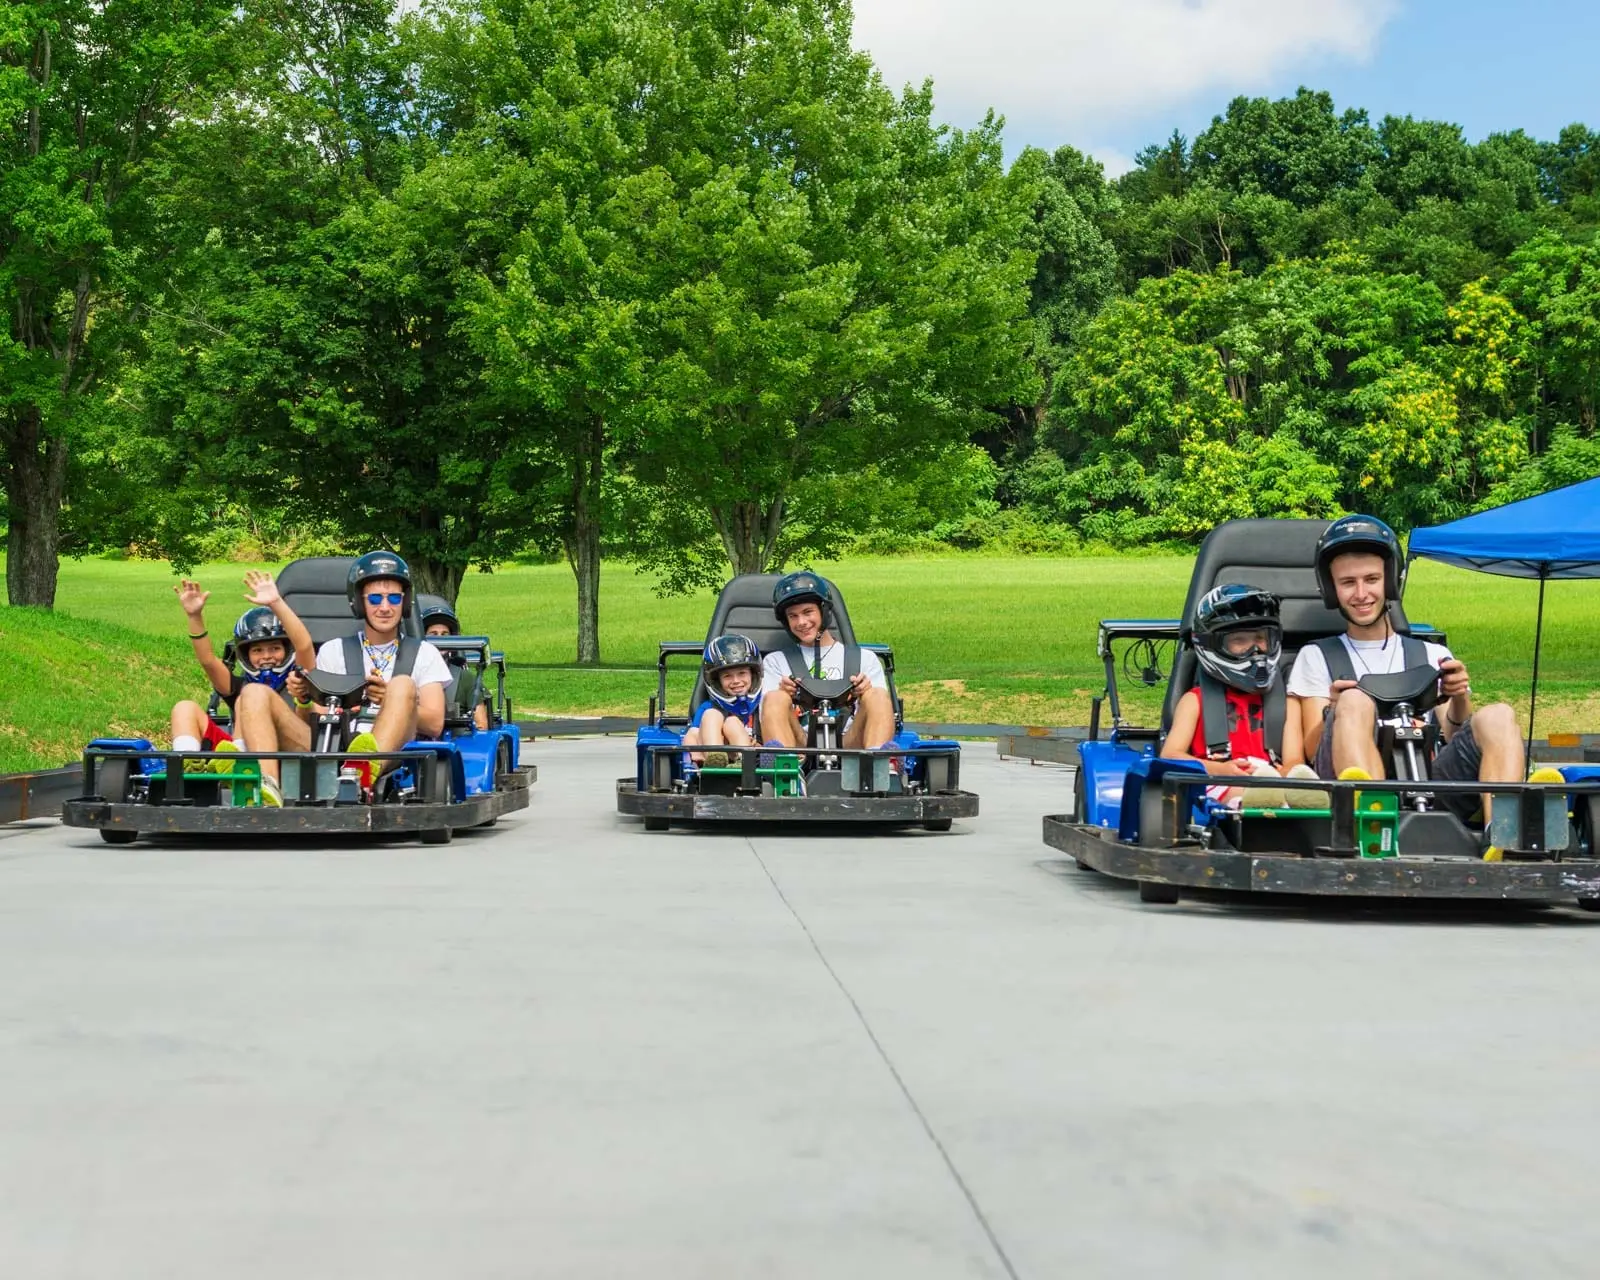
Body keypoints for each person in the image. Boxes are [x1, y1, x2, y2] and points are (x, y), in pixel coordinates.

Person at [1287, 514, 1526, 821]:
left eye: (1371, 580)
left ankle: (1505, 838)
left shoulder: (1432, 654)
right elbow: (1311, 751)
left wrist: (1459, 697)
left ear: (1390, 580)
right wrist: (1334, 710)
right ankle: (1373, 827)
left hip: (1427, 782)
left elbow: (1454, 737)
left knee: (1499, 715)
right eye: (1348, 583)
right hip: (1348, 786)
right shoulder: (1316, 656)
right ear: (1332, 590)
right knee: (1354, 701)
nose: (1361, 594)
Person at [235, 551, 453, 804]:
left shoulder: (425, 653)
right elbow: (313, 720)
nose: (385, 607)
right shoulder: (333, 650)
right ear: (360, 602)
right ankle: (267, 785)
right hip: (331, 746)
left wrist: (391, 700)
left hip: (392, 750)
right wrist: (304, 700)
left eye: (394, 598)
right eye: (375, 598)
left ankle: (362, 773)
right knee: (253, 692)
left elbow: (435, 722)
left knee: (402, 684)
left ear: (404, 603)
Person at [1160, 584, 1322, 808]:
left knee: (1292, 785)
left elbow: (1293, 761)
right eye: (1240, 642)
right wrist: (1222, 769)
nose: (1254, 651)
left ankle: (1302, 806)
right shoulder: (1194, 701)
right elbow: (1171, 755)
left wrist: (1283, 774)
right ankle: (1257, 802)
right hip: (1216, 781)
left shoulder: (1286, 703)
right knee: (1247, 791)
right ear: (1212, 645)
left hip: (1272, 780)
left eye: (1260, 638)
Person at [169, 571, 316, 764]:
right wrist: (194, 616)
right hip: (235, 754)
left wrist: (275, 602)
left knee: (248, 696)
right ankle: (184, 770)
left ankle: (241, 764)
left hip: (288, 752)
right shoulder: (238, 685)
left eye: (275, 648)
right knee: (184, 708)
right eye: (257, 650)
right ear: (245, 655)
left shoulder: (299, 679)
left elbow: (304, 645)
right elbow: (208, 661)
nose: (266, 656)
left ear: (287, 649)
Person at [758, 571, 895, 752]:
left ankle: (880, 767)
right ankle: (784, 771)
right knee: (775, 697)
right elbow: (765, 714)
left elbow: (882, 709)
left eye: (808, 612)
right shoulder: (776, 661)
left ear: (823, 611)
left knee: (876, 694)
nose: (802, 622)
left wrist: (864, 692)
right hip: (801, 743)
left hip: (852, 741)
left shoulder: (865, 658)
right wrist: (784, 692)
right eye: (793, 616)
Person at [683, 634, 764, 767]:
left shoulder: (760, 707)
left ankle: (744, 761)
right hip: (709, 759)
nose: (736, 681)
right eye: (727, 676)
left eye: (742, 673)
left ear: (754, 674)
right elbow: (692, 734)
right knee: (712, 714)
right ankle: (715, 757)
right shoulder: (708, 707)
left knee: (732, 722)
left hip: (747, 764)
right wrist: (695, 756)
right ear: (717, 681)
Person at [418, 595, 491, 730]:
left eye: (445, 635)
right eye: (433, 635)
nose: (439, 640)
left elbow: (481, 726)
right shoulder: (411, 675)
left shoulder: (466, 679)